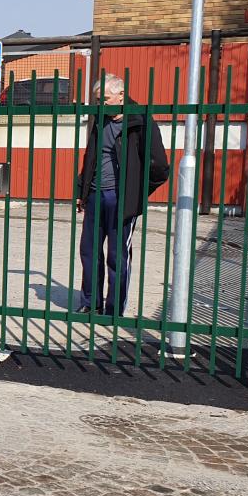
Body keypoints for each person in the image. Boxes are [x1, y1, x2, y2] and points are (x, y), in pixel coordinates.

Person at [75, 75, 171, 316]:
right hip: (95, 195)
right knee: (89, 251)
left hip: (121, 199)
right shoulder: (100, 119)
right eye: (98, 100)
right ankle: (91, 303)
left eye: (105, 99)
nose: (100, 104)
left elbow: (160, 166)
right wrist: (81, 190)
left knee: (117, 256)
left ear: (121, 95)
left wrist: (136, 192)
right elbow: (91, 156)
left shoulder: (140, 121)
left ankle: (114, 309)